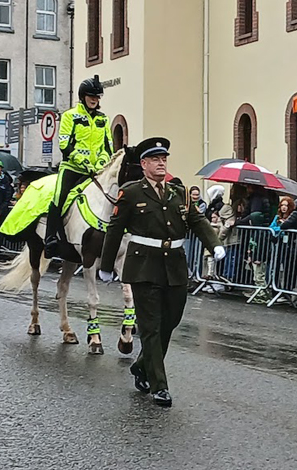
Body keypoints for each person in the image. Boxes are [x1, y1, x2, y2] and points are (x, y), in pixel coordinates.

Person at [98, 137, 223, 407]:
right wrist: (106, 266)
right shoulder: (131, 193)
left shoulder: (178, 192)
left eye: (164, 159)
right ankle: (159, 386)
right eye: (155, 159)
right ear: (143, 164)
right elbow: (115, 228)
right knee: (151, 328)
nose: (161, 163)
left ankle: (142, 366)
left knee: (170, 322)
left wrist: (215, 245)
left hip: (175, 266)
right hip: (144, 266)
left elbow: (197, 221)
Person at [44, 75, 112, 258]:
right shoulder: (70, 116)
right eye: (91, 96)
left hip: (96, 170)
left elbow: (108, 146)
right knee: (59, 197)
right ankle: (50, 238)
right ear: (83, 96)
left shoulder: (103, 119)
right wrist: (83, 162)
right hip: (72, 168)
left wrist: (100, 163)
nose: (94, 100)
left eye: (97, 97)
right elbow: (65, 144)